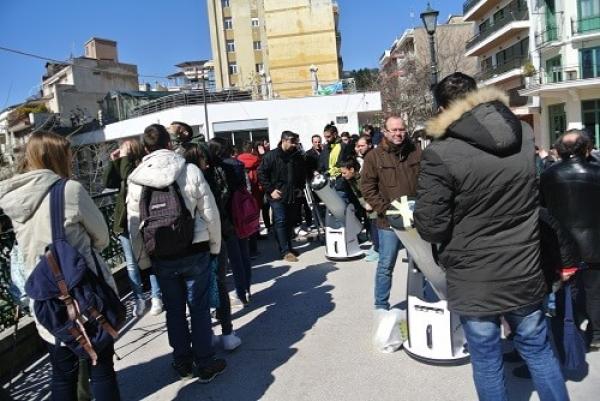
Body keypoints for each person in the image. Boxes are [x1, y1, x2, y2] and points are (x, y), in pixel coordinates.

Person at [414, 72, 567, 401]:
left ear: (443, 108)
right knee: (539, 351)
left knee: (486, 360)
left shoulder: (441, 153)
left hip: (475, 277)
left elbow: (432, 227)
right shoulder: (524, 134)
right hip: (524, 267)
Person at [0, 131, 122, 400]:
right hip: (84, 295)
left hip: (45, 300)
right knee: (100, 368)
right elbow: (102, 237)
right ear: (58, 156)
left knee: (62, 373)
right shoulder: (69, 190)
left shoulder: (13, 199)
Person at [127, 124, 226, 381]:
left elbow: (133, 225)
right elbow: (210, 213)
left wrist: (143, 262)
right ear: (169, 144)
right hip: (195, 250)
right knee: (199, 308)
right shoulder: (189, 169)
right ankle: (205, 363)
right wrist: (214, 246)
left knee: (174, 310)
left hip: (161, 254)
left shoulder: (136, 178)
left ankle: (182, 362)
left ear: (146, 148)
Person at [540, 129, 600, 351]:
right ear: (586, 148)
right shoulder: (597, 172)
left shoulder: (548, 175)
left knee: (566, 292)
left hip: (561, 244)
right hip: (595, 243)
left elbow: (542, 208)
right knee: (595, 291)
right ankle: (596, 334)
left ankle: (568, 332)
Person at [182, 143, 242, 351]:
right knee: (219, 284)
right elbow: (216, 210)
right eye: (202, 159)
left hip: (193, 241)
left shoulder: (181, 179)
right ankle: (227, 333)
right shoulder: (214, 176)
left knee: (198, 291)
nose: (205, 163)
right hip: (216, 235)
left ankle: (207, 334)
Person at [361, 115, 421, 310]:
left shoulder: (416, 152)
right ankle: (381, 305)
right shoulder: (373, 157)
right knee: (386, 266)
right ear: (385, 132)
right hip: (388, 222)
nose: (398, 134)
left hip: (415, 220)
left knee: (422, 265)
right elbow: (368, 188)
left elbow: (428, 181)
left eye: (401, 130)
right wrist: (388, 211)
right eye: (394, 130)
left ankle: (423, 302)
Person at [103, 138, 163, 316]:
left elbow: (128, 177)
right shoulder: (122, 166)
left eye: (124, 150)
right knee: (131, 264)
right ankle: (138, 299)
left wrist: (125, 159)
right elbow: (108, 182)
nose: (121, 152)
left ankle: (156, 296)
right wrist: (113, 161)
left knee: (149, 259)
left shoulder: (141, 167)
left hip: (142, 219)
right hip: (124, 222)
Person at [209, 137, 254, 305]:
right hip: (240, 212)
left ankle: (237, 295)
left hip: (225, 217)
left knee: (229, 259)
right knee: (243, 256)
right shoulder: (238, 164)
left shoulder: (216, 168)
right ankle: (245, 290)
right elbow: (246, 188)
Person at [258, 131, 306, 262]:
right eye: (292, 142)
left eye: (296, 142)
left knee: (290, 221)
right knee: (281, 220)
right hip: (277, 195)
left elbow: (302, 173)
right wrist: (271, 189)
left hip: (292, 194)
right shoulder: (271, 156)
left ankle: (289, 247)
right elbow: (261, 173)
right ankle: (284, 251)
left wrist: (300, 189)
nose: (294, 144)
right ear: (284, 140)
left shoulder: (296, 156)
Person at [237, 141, 264, 259]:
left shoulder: (237, 161)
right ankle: (254, 246)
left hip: (241, 196)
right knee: (254, 217)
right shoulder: (257, 159)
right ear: (252, 149)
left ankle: (247, 248)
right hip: (255, 192)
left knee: (244, 221)